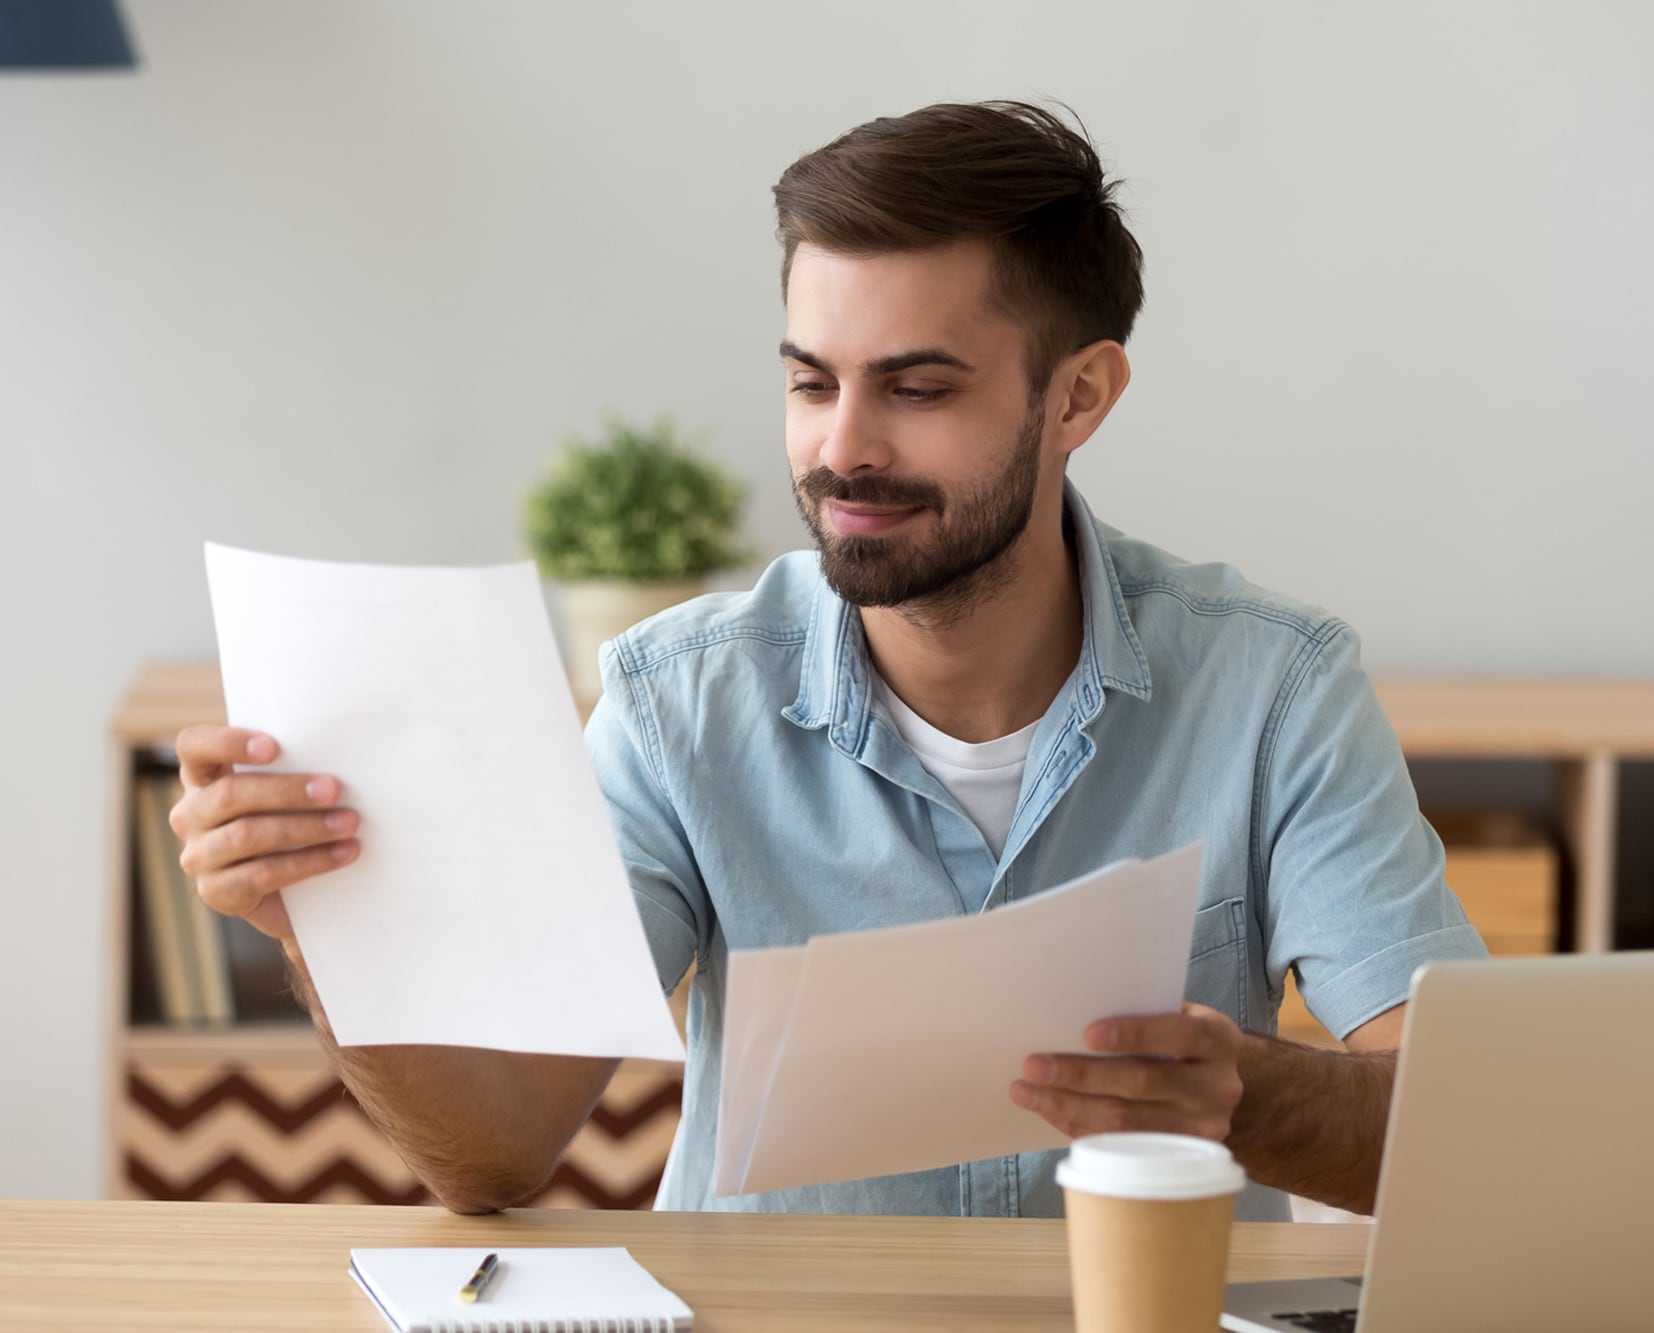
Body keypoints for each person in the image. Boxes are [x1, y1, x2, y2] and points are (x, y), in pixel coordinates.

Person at [169, 101, 1485, 1221]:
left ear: (1078, 396)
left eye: (916, 389)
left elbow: (1470, 1125)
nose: (842, 450)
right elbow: (498, 1152)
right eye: (812, 382)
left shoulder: (1274, 692)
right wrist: (321, 929)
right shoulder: (679, 701)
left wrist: (1249, 1094)